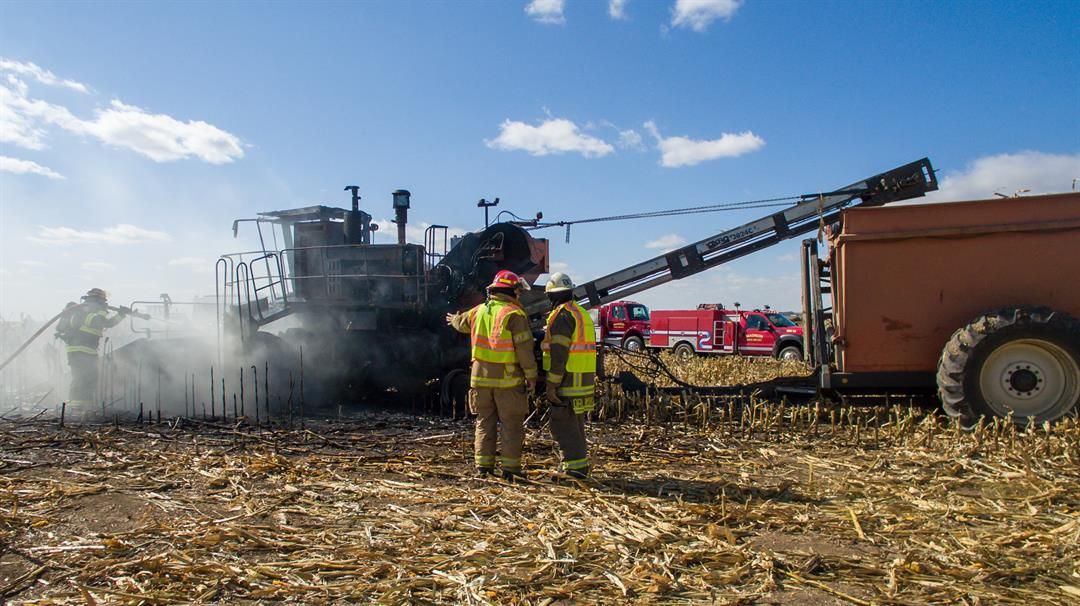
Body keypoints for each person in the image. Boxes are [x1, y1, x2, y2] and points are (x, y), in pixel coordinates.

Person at [446, 270, 538, 480]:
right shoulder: (514, 314)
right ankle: (511, 470)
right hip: (507, 381)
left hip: (479, 380)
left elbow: (461, 323)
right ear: (513, 291)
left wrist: (453, 319)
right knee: (511, 424)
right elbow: (524, 350)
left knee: (484, 421)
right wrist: (531, 376)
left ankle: (483, 468)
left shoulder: (479, 311)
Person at [541, 272, 597, 479]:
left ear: (552, 296)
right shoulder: (581, 313)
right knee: (575, 425)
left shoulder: (562, 316)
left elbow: (559, 355)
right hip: (583, 380)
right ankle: (576, 467)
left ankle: (575, 470)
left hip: (567, 381)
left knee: (563, 426)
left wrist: (552, 385)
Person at [55, 289, 127, 408]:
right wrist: (104, 311)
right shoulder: (89, 310)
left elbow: (106, 323)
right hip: (81, 349)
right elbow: (99, 322)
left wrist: (121, 314)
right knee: (81, 377)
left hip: (85, 350)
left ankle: (85, 406)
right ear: (100, 299)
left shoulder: (87, 309)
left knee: (90, 377)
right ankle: (75, 406)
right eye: (104, 301)